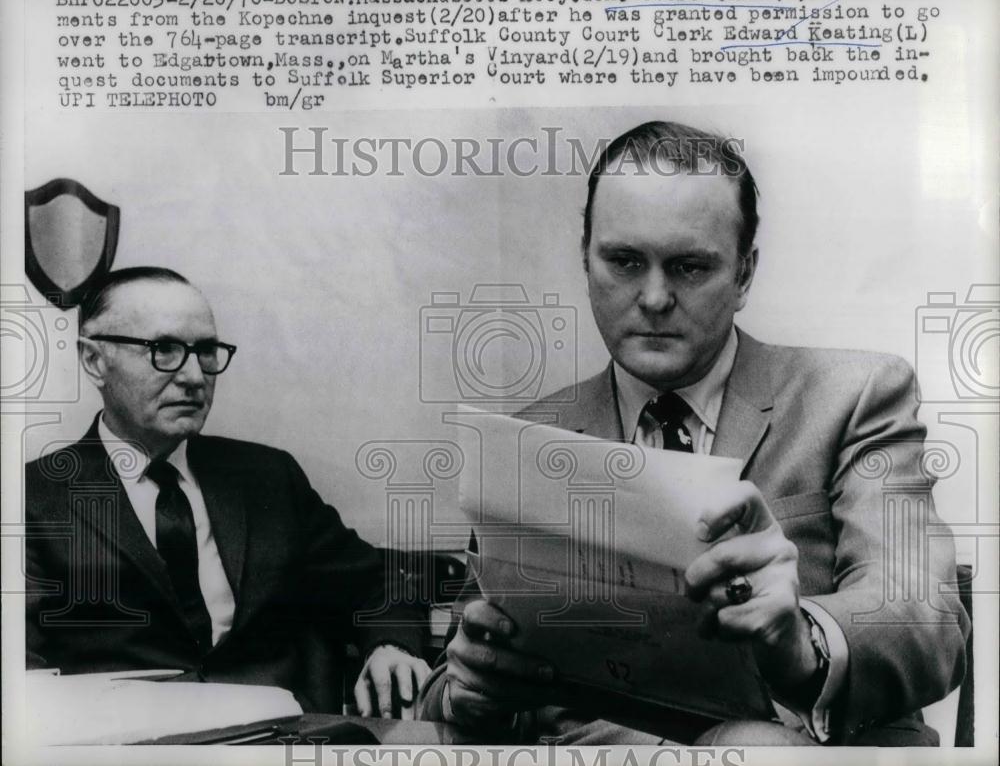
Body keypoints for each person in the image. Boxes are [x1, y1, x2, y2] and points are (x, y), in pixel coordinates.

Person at [418, 121, 971, 745]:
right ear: (585, 260)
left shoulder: (856, 397)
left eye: (689, 267)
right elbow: (451, 682)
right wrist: (472, 692)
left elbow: (924, 620)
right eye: (625, 262)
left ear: (744, 274)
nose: (654, 298)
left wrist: (798, 644)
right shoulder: (527, 439)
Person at [25, 267, 431, 718]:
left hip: (282, 739)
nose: (194, 376)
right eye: (164, 350)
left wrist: (391, 645)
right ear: (94, 360)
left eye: (205, 351)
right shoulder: (32, 500)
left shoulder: (267, 477)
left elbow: (378, 582)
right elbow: (21, 671)